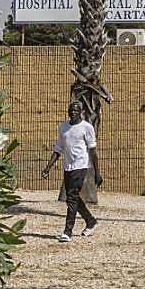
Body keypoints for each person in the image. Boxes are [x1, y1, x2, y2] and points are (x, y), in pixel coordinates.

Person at [42, 102, 102, 242]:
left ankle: (67, 231)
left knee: (72, 197)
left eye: (76, 110)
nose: (73, 112)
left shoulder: (87, 127)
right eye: (71, 110)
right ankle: (91, 221)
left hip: (81, 166)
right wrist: (48, 167)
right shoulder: (63, 127)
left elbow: (93, 152)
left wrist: (97, 172)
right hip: (68, 166)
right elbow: (58, 149)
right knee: (72, 197)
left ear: (81, 112)